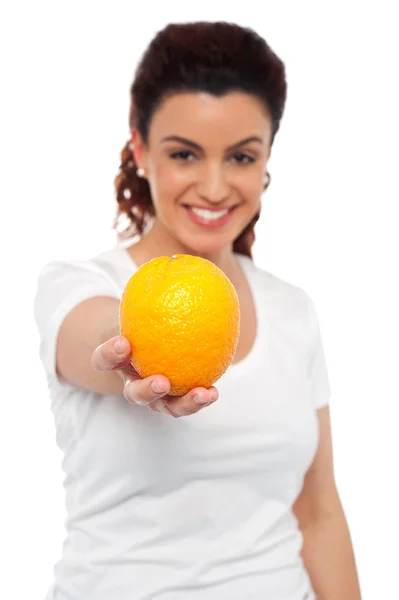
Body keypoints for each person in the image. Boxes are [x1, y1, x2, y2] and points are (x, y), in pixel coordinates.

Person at [34, 20, 361, 600]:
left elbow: (317, 514)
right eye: (185, 153)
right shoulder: (78, 285)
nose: (214, 186)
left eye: (240, 156)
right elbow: (98, 334)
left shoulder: (293, 309)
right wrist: (137, 354)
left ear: (266, 161)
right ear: (139, 146)